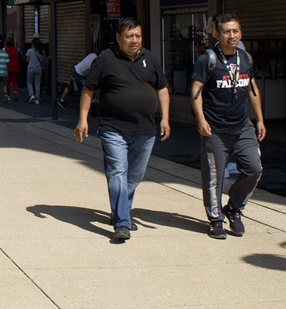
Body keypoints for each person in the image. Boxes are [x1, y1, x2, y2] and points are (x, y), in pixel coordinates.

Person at [74, 17, 170, 243]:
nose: (134, 40)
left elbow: (162, 88)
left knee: (134, 176)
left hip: (145, 129)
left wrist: (165, 118)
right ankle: (122, 223)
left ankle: (121, 211)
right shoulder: (105, 59)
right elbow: (88, 90)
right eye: (129, 36)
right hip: (113, 128)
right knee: (117, 171)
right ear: (118, 38)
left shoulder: (150, 58)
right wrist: (82, 119)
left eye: (137, 35)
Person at [190, 14, 265, 240]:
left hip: (242, 126)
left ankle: (233, 208)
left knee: (254, 169)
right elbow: (196, 91)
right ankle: (215, 220)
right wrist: (201, 120)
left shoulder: (246, 58)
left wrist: (259, 119)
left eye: (235, 31)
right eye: (226, 32)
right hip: (215, 129)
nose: (232, 36)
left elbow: (252, 90)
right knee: (214, 177)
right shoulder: (209, 59)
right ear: (217, 34)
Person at [24, 37, 45, 104]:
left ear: (33, 44)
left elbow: (27, 60)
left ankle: (32, 95)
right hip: (39, 68)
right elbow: (42, 60)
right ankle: (37, 99)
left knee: (29, 82)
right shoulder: (42, 51)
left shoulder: (29, 51)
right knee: (37, 84)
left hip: (31, 68)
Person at [5, 36, 21, 101]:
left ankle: (8, 95)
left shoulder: (5, 49)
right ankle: (15, 90)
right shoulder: (16, 49)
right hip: (15, 66)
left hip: (8, 66)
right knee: (15, 80)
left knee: (8, 81)